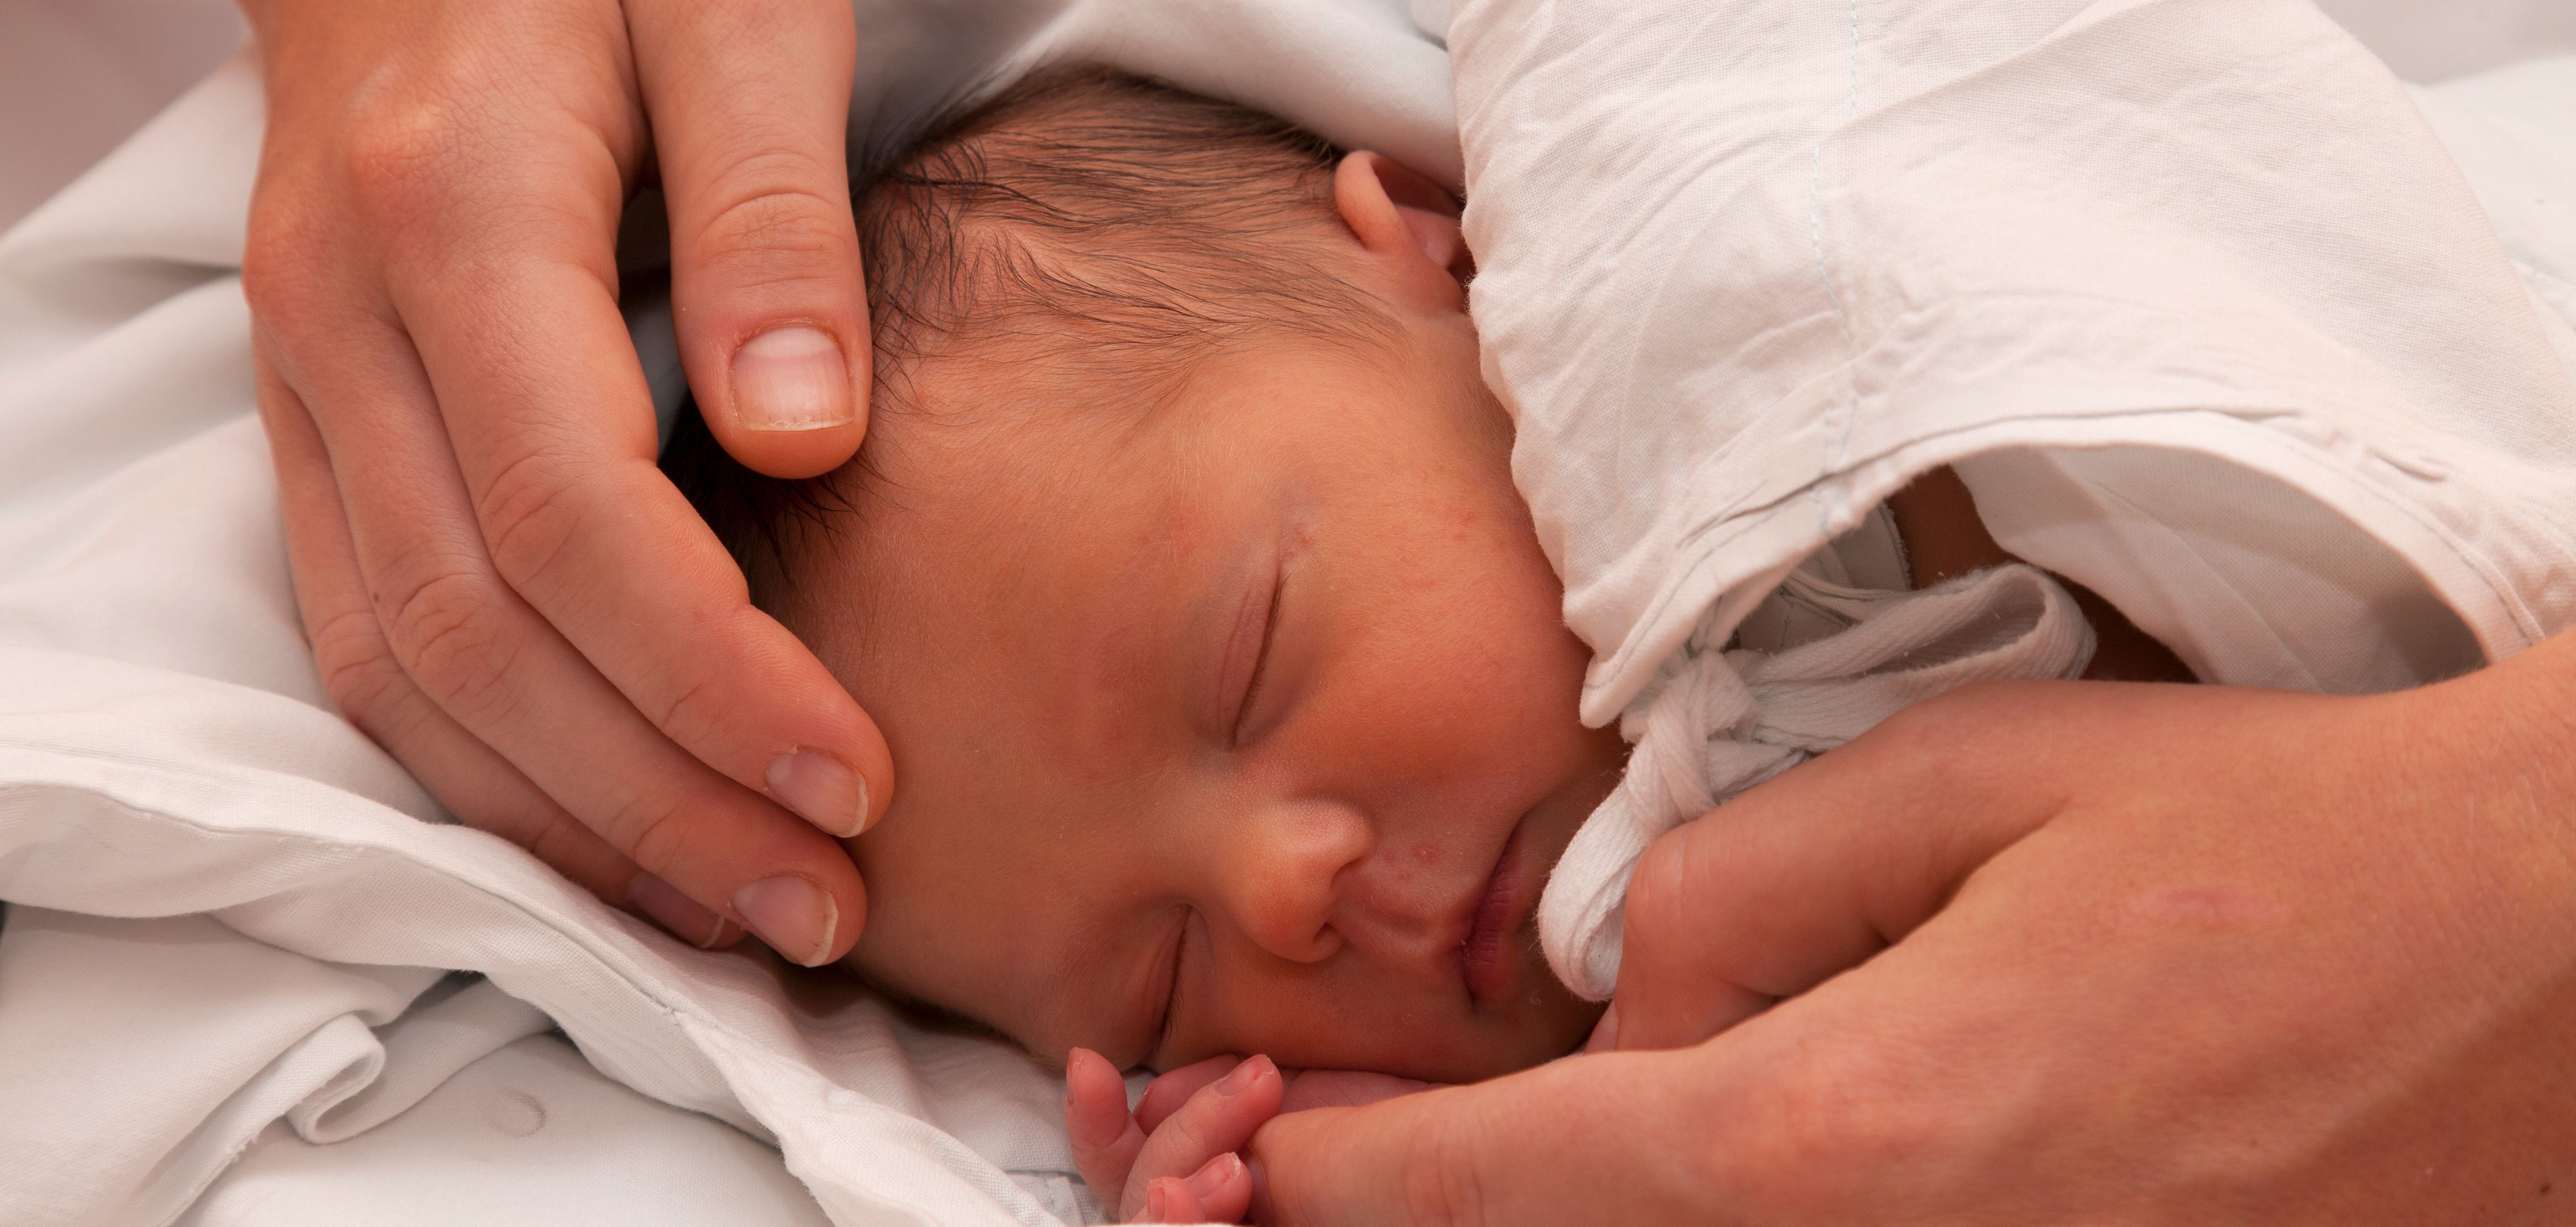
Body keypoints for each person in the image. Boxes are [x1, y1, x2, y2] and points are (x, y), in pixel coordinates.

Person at [236, 0, 2576, 1222]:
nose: (1284, 889)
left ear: (1432, 250)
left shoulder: (1743, 340)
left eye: (1248, 658)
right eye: (1160, 980)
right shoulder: (1617, 1016)